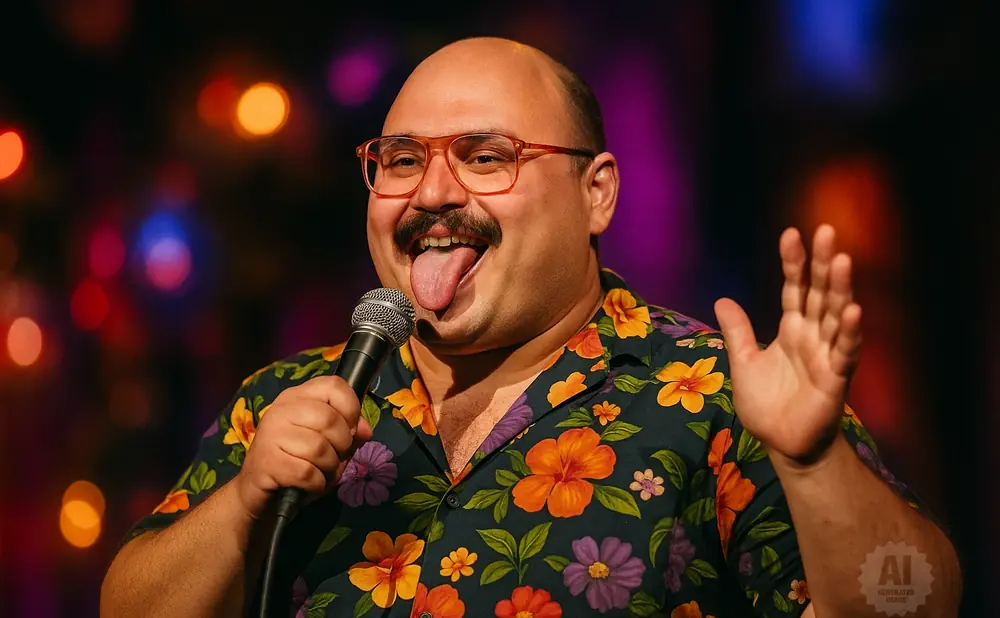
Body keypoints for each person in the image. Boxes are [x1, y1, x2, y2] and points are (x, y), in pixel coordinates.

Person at [100, 37, 962, 618]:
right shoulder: (291, 398)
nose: (432, 194)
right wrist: (247, 500)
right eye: (401, 160)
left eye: (484, 156)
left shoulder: (719, 398)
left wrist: (811, 464)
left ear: (598, 194)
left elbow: (915, 600)